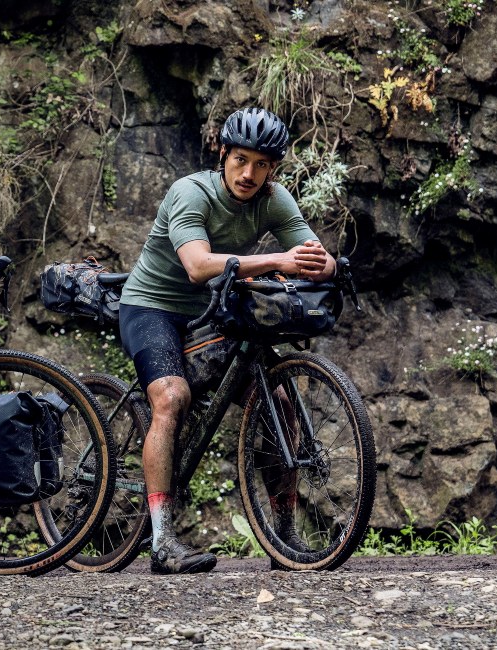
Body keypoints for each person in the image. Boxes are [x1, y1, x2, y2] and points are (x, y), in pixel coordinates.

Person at [118, 107, 337, 574]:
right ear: (223, 154)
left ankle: (283, 534)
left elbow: (316, 256)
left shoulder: (275, 200)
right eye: (240, 160)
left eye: (261, 165)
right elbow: (197, 266)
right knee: (171, 397)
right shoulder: (190, 193)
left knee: (278, 399)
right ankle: (160, 543)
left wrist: (327, 265)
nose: (249, 173)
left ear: (273, 169)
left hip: (211, 311)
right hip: (151, 306)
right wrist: (279, 258)